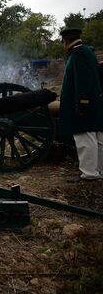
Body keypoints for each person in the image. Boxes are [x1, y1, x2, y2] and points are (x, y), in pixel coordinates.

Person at [58, 27, 103, 183]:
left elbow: (83, 80)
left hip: (85, 103)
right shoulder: (87, 51)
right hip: (94, 102)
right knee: (97, 138)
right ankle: (98, 171)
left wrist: (81, 102)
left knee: (85, 138)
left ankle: (89, 173)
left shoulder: (78, 53)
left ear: (65, 41)